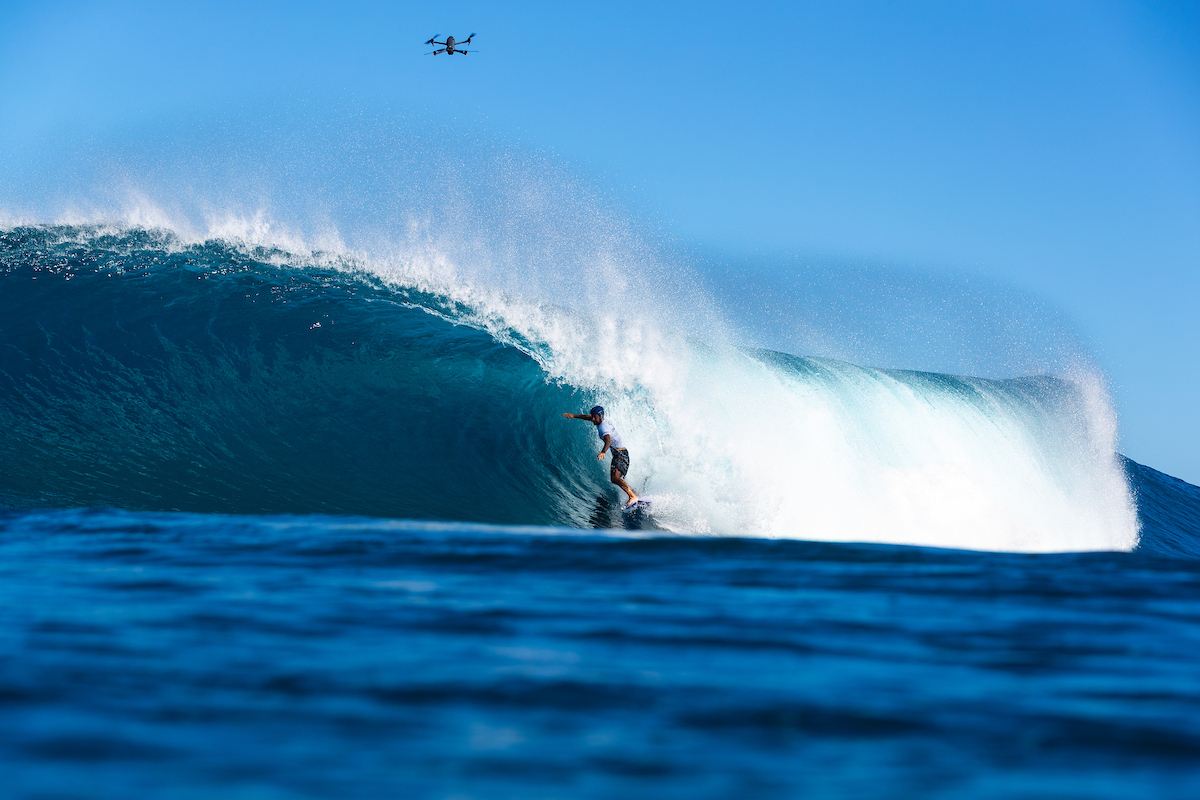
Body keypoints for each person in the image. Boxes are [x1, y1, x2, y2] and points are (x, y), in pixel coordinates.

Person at [562, 405, 640, 507]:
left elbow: (608, 440)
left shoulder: (603, 427)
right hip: (621, 454)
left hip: (620, 455)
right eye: (592, 416)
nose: (593, 419)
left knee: (615, 478)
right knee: (615, 478)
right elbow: (587, 417)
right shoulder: (600, 420)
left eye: (595, 417)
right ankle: (634, 493)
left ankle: (632, 496)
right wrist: (574, 416)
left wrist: (603, 451)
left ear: (601, 416)